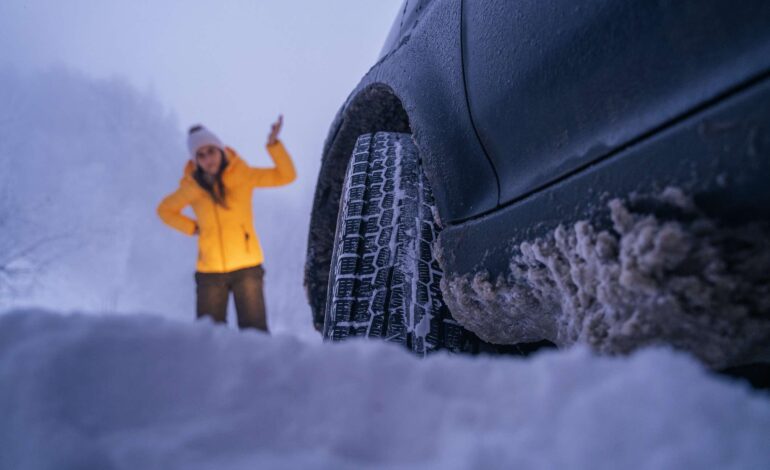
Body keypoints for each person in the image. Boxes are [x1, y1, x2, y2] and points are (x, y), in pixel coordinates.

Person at [157, 116, 296, 332]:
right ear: (195, 161)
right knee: (208, 337)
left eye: (210, 151)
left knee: (255, 335)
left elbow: (286, 176)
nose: (207, 159)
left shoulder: (243, 175)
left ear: (220, 150)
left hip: (247, 269)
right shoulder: (192, 187)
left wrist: (273, 145)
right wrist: (192, 227)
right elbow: (165, 210)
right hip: (210, 272)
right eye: (200, 155)